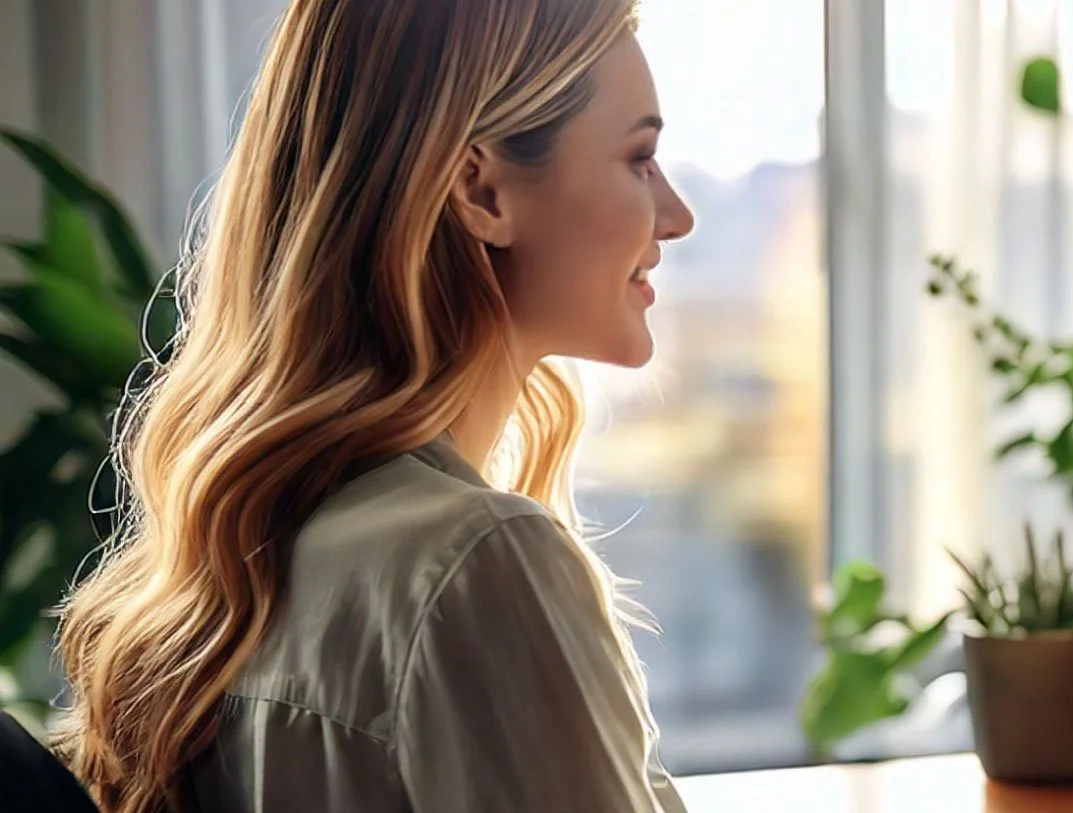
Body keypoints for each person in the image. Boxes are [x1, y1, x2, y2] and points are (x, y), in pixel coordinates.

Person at [48, 2, 694, 811]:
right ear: (481, 189)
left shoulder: (254, 563)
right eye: (639, 158)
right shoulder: (478, 563)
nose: (677, 215)